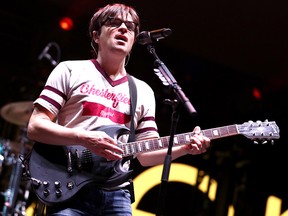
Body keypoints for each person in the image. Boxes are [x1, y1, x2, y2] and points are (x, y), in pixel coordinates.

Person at [27, 3, 211, 216]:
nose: (124, 29)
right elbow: (35, 126)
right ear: (96, 35)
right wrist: (85, 138)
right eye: (114, 24)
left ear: (133, 40)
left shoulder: (142, 91)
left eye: (130, 27)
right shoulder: (70, 70)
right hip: (70, 186)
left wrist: (184, 148)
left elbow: (145, 154)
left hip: (117, 194)